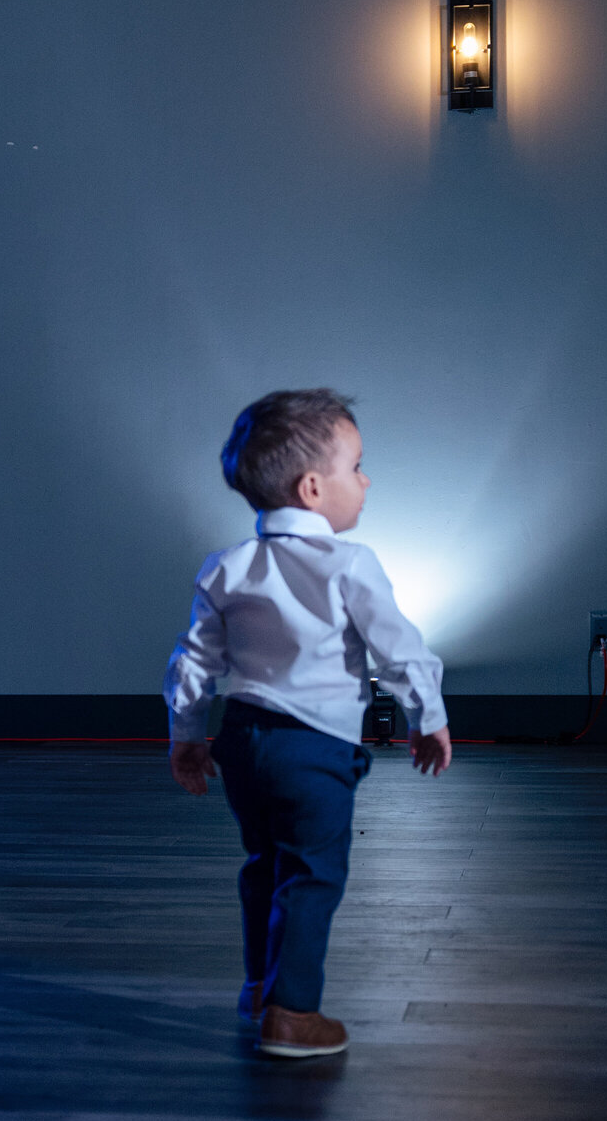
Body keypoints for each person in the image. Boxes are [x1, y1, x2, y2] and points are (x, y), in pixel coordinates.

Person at [164, 388, 450, 1058]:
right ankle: (293, 1012)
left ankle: (261, 985)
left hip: (243, 744)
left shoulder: (227, 567)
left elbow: (192, 665)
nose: (366, 479)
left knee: (265, 861)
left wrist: (186, 736)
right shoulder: (351, 564)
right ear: (314, 487)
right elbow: (399, 647)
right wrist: (427, 716)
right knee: (315, 872)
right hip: (315, 751)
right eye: (357, 466)